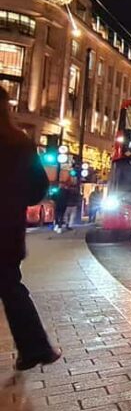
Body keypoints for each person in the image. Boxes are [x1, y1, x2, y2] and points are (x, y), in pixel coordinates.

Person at [0, 86, 61, 370]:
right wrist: (14, 200)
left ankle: (36, 348)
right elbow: (38, 188)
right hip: (7, 230)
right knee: (12, 288)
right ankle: (36, 348)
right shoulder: (19, 142)